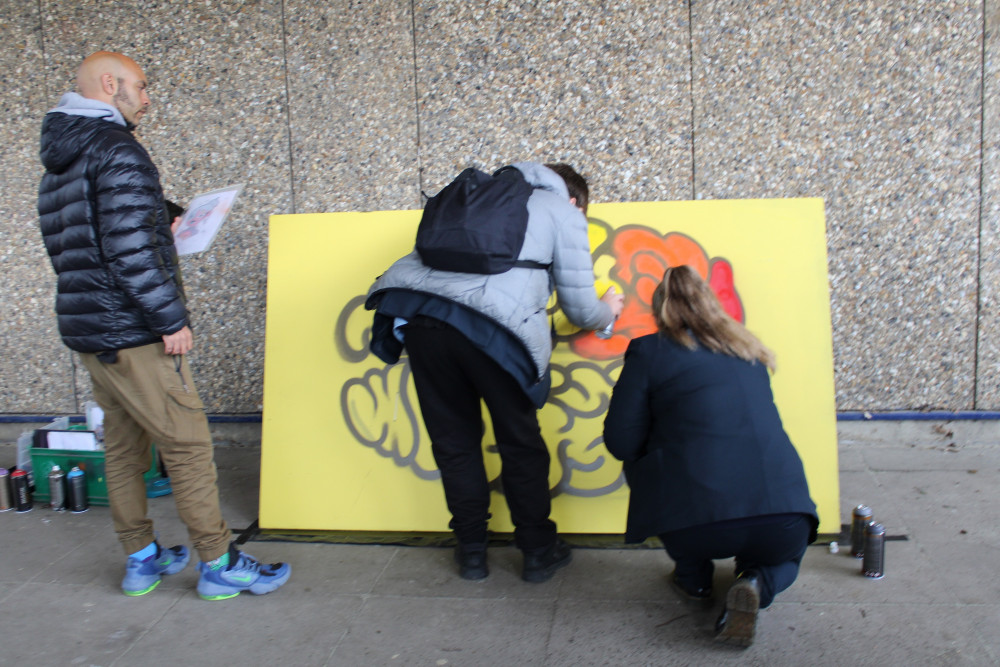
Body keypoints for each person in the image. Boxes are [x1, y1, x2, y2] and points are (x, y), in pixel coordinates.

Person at [37, 51, 290, 600]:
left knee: (124, 450)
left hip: (90, 333)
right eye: (141, 85)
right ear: (110, 84)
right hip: (135, 332)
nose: (147, 97)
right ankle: (219, 562)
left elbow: (88, 233)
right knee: (189, 446)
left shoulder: (62, 157)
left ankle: (142, 559)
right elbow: (127, 249)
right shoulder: (116, 147)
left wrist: (162, 210)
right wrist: (169, 319)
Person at [367, 162, 625, 582]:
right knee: (519, 441)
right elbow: (580, 308)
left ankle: (470, 551)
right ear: (575, 200)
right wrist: (608, 313)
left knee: (454, 441)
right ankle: (538, 550)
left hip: (421, 321)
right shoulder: (562, 211)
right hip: (494, 333)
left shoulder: (474, 199)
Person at [602, 265, 818, 647]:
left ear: (660, 311)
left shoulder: (651, 350)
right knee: (784, 560)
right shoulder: (747, 348)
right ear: (712, 305)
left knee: (655, 463)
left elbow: (620, 442)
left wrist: (661, 441)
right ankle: (757, 582)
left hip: (694, 525)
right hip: (783, 513)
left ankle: (693, 577)